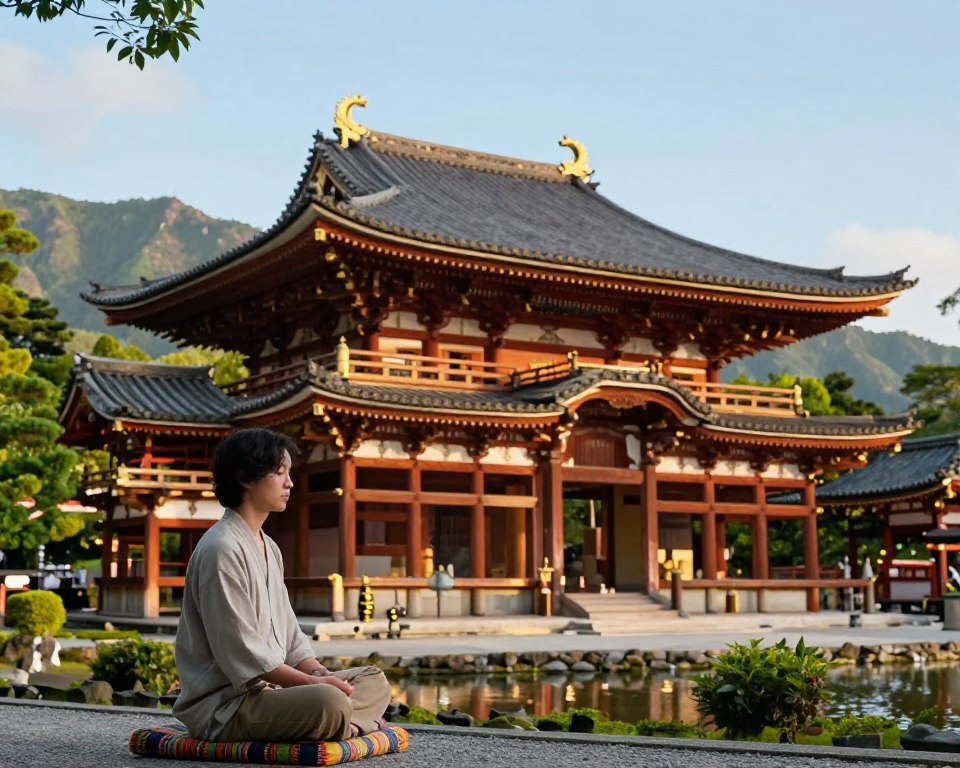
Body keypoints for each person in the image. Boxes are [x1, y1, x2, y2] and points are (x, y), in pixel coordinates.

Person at [173, 428, 391, 742]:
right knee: (327, 702)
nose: (289, 482)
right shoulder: (221, 549)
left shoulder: (269, 547)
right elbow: (243, 653)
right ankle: (354, 723)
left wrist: (317, 671)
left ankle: (347, 723)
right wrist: (311, 685)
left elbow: (289, 633)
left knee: (373, 679)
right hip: (228, 705)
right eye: (279, 473)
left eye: (288, 472)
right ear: (245, 479)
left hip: (275, 692)